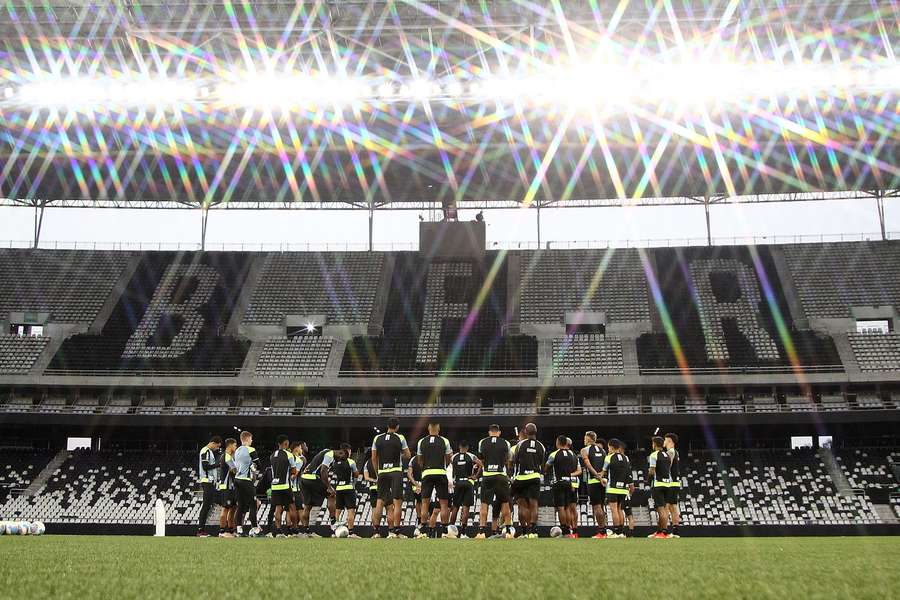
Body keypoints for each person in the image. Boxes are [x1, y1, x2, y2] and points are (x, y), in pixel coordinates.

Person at [372, 419, 411, 538]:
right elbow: (408, 455)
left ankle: (376, 532)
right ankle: (396, 532)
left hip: (382, 472)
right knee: (397, 502)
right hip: (395, 471)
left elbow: (374, 458)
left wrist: (377, 473)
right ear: (397, 427)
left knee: (379, 502)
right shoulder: (400, 438)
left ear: (387, 426)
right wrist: (400, 455)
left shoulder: (377, 438)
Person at [415, 422, 453, 538]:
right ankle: (445, 530)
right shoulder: (445, 441)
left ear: (428, 428)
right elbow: (448, 458)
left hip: (426, 473)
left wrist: (425, 468)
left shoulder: (421, 441)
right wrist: (443, 466)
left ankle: (423, 530)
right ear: (439, 428)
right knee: (443, 504)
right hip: (440, 472)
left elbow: (419, 459)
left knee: (425, 503)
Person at [475, 424, 513, 539]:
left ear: (489, 432)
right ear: (499, 432)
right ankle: (508, 531)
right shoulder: (506, 443)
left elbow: (481, 458)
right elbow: (508, 458)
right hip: (501, 475)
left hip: (488, 476)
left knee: (484, 504)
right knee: (505, 503)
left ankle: (481, 532)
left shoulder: (482, 442)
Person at [510, 423, 544, 539]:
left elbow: (513, 461)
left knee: (521, 506)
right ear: (536, 432)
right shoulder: (541, 446)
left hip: (521, 478)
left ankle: (524, 532)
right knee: (534, 505)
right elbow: (541, 462)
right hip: (535, 476)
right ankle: (533, 532)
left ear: (525, 431)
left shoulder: (520, 445)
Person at [546, 435, 581, 538]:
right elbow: (579, 470)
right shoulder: (574, 455)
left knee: (561, 507)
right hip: (571, 483)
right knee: (569, 508)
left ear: (558, 442)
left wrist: (546, 470)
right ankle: (572, 530)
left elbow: (547, 467)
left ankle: (565, 531)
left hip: (559, 482)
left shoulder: (554, 454)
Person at [299, 447, 337, 537]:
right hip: (313, 478)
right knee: (332, 494)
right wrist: (329, 487)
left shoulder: (321, 454)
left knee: (307, 506)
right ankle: (334, 524)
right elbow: (323, 470)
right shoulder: (330, 454)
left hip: (304, 478)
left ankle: (306, 531)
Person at [600, 438, 633, 539]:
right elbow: (628, 473)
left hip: (613, 488)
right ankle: (621, 532)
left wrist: (600, 477)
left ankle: (616, 532)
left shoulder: (609, 457)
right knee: (619, 509)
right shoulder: (625, 458)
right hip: (623, 488)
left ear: (611, 447)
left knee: (614, 509)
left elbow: (603, 472)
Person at [233, 431, 262, 536]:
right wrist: (253, 467)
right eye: (251, 439)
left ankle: (239, 530)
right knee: (253, 504)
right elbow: (258, 464)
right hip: (246, 480)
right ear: (247, 439)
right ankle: (255, 529)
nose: (252, 441)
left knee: (240, 505)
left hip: (237, 480)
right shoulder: (251, 449)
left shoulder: (237, 451)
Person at [449, 441, 480, 538]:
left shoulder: (453, 457)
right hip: (468, 482)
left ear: (459, 447)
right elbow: (481, 465)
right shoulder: (471, 456)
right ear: (467, 447)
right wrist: (475, 476)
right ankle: (463, 532)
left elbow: (450, 467)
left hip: (457, 482)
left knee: (455, 507)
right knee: (466, 508)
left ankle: (450, 531)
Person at [581, 432, 608, 538]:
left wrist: (597, 476)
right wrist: (602, 476)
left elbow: (588, 464)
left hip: (593, 481)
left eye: (585, 437)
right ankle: (604, 530)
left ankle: (601, 532)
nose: (584, 439)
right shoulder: (603, 450)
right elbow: (605, 466)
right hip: (602, 481)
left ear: (589, 438)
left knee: (596, 507)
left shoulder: (584, 450)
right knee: (601, 506)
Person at [330, 443, 361, 538]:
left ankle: (335, 532)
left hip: (339, 488)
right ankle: (351, 532)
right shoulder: (351, 462)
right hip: (348, 487)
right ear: (347, 451)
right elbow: (356, 474)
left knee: (338, 510)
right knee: (351, 510)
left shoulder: (335, 463)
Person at [269, 435, 295, 537]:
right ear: (286, 443)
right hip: (285, 485)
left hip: (275, 486)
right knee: (291, 507)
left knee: (278, 509)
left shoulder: (272, 455)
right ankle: (293, 529)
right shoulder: (288, 454)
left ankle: (278, 530)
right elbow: (293, 470)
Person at [196, 436, 222, 537]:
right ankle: (200, 530)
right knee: (206, 505)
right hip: (207, 481)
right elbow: (205, 466)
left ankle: (201, 530)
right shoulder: (206, 451)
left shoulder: (208, 451)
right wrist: (218, 465)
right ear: (213, 443)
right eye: (217, 446)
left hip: (210, 482)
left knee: (208, 505)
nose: (217, 449)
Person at [647, 436, 672, 539]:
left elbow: (652, 471)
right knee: (663, 509)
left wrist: (648, 479)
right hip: (668, 484)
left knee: (661, 510)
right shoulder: (667, 455)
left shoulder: (654, 455)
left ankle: (664, 532)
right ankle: (659, 531)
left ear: (655, 444)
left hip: (658, 484)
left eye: (652, 443)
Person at [216, 437, 238, 538]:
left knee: (232, 508)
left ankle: (230, 530)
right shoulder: (227, 456)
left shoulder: (228, 456)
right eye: (235, 445)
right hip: (226, 486)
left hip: (231, 487)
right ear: (230, 445)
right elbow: (234, 470)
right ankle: (222, 531)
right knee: (225, 508)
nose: (236, 447)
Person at [664, 432, 682, 538]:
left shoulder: (670, 452)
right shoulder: (675, 451)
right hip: (675, 482)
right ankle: (675, 532)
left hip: (671, 482)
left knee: (666, 507)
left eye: (665, 440)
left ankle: (664, 531)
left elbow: (667, 467)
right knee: (673, 507)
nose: (664, 442)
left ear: (669, 440)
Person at [288, 441, 306, 534]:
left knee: (289, 510)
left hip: (286, 488)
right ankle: (305, 530)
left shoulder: (287, 457)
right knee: (300, 509)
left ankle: (292, 529)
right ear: (296, 448)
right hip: (295, 488)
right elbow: (294, 475)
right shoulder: (299, 460)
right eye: (300, 447)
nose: (301, 449)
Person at [405, 453, 425, 535]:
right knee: (424, 502)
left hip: (417, 484)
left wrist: (415, 484)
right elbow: (409, 474)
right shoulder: (427, 457)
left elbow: (409, 474)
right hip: (425, 483)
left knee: (419, 502)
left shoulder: (413, 459)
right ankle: (422, 522)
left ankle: (420, 521)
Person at [363, 451, 381, 534]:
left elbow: (366, 477)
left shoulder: (367, 463)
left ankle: (375, 530)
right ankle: (391, 531)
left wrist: (373, 480)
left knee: (374, 509)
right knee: (388, 508)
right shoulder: (381, 460)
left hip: (372, 488)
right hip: (382, 488)